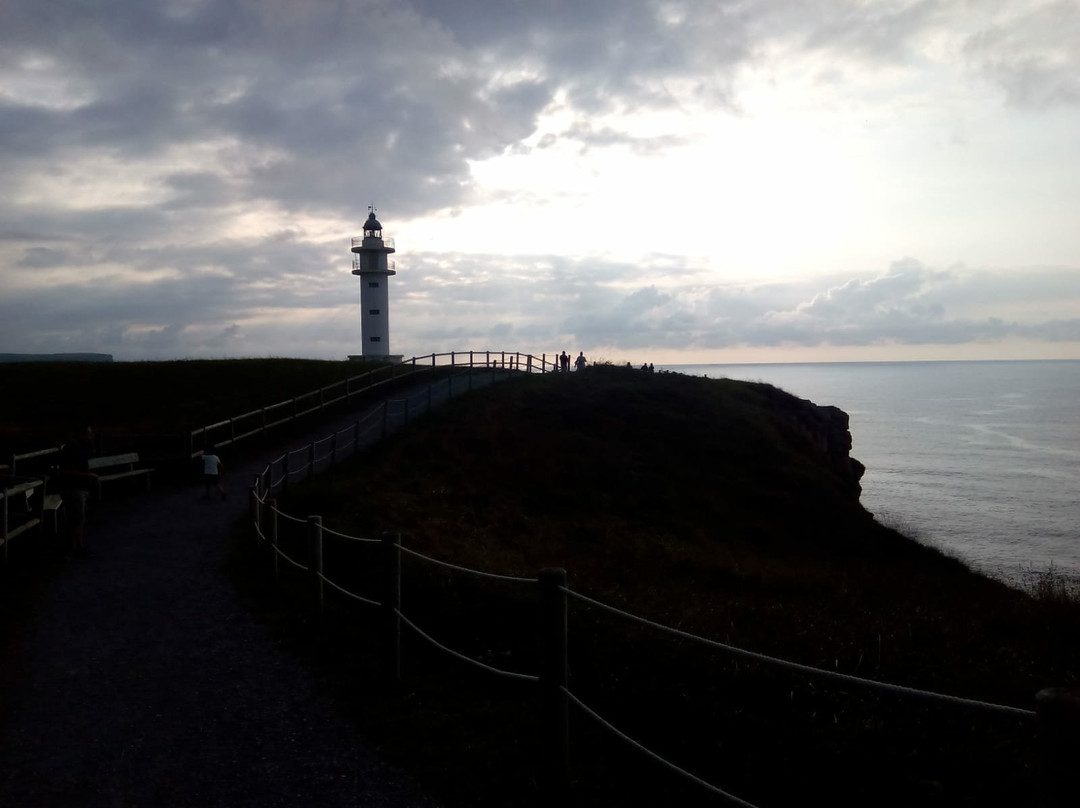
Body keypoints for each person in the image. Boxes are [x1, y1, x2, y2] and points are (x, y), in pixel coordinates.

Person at [57, 425, 98, 558]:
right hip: (73, 489)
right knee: (75, 519)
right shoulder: (70, 449)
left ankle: (78, 546)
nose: (91, 437)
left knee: (79, 519)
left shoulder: (79, 448)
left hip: (80, 488)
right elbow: (65, 471)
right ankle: (69, 549)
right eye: (88, 434)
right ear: (81, 434)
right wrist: (87, 476)